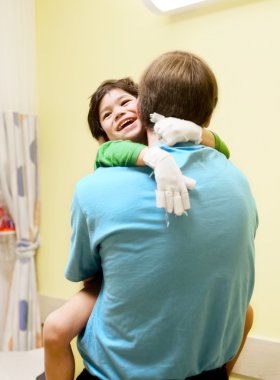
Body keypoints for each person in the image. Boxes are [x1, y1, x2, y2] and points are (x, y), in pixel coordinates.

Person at [46, 54, 257, 379]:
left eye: (125, 102)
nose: (118, 112)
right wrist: (154, 156)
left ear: (144, 108)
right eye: (107, 113)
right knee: (55, 328)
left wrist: (198, 135)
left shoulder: (98, 187)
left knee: (246, 313)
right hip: (111, 280)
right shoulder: (110, 163)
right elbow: (90, 276)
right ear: (103, 135)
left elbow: (220, 149)